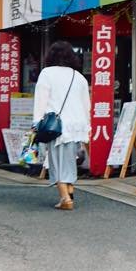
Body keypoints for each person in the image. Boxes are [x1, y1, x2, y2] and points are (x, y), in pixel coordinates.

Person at [33, 41, 91, 211]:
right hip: (76, 126)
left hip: (56, 126)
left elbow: (41, 100)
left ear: (51, 56)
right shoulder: (78, 76)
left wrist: (36, 122)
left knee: (57, 162)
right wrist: (87, 126)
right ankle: (69, 193)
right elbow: (86, 105)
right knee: (69, 161)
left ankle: (66, 198)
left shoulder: (47, 73)